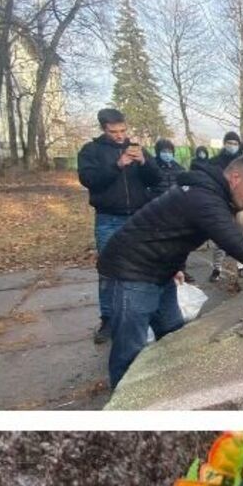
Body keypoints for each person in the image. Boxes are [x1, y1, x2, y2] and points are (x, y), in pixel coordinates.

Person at [98, 156, 243, 386]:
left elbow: (172, 230)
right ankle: (125, 403)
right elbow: (239, 248)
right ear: (235, 178)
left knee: (172, 335)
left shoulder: (209, 193)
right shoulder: (205, 199)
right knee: (129, 351)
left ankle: (167, 390)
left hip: (160, 272)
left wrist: (176, 266)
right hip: (130, 272)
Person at [77, 108, 160, 345]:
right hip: (109, 219)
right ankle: (108, 319)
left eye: (123, 130)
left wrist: (144, 162)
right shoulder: (91, 151)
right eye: (114, 132)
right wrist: (117, 165)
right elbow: (89, 180)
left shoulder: (136, 148)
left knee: (144, 267)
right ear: (104, 129)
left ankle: (142, 314)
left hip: (138, 218)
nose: (120, 135)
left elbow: (155, 179)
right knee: (109, 270)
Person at [206, 131, 243, 285]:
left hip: (242, 204)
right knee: (220, 236)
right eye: (229, 142)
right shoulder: (214, 162)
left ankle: (242, 266)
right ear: (224, 143)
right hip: (222, 203)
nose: (232, 145)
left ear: (239, 145)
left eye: (235, 143)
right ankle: (217, 268)